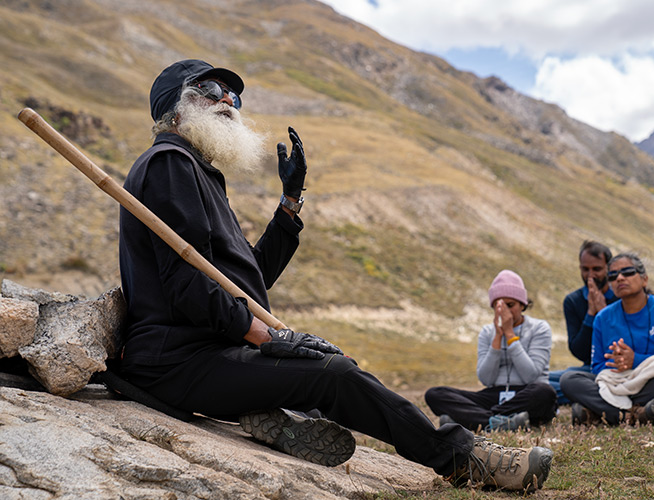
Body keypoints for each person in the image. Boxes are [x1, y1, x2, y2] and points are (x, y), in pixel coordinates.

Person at [116, 59, 553, 492]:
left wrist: (289, 202)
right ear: (178, 107)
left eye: (235, 96)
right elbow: (188, 287)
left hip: (208, 351)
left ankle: (282, 415)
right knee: (335, 375)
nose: (230, 100)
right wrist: (267, 340)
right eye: (213, 92)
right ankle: (463, 459)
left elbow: (250, 280)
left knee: (324, 371)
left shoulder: (200, 174)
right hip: (176, 361)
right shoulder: (169, 164)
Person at [560, 253, 654, 426]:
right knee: (569, 379)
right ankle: (637, 415)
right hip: (619, 383)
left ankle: (602, 412)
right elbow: (597, 368)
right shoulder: (603, 318)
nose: (620, 278)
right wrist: (619, 366)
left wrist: (635, 361)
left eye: (627, 272)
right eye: (613, 276)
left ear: (644, 280)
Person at [425, 270, 557, 432]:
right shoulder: (488, 332)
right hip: (495, 395)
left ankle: (470, 419)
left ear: (522, 304)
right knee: (435, 394)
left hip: (526, 394)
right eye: (499, 306)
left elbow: (531, 375)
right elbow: (486, 379)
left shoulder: (539, 328)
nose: (505, 312)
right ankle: (499, 422)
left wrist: (509, 335)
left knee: (544, 392)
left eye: (511, 305)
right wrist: (497, 339)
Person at [551, 241, 619, 405]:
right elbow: (579, 351)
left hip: (621, 368)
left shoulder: (620, 297)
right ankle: (594, 394)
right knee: (542, 381)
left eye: (596, 269)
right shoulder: (573, 301)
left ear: (608, 269)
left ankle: (586, 396)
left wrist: (604, 315)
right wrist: (590, 315)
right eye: (585, 269)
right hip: (590, 369)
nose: (591, 276)